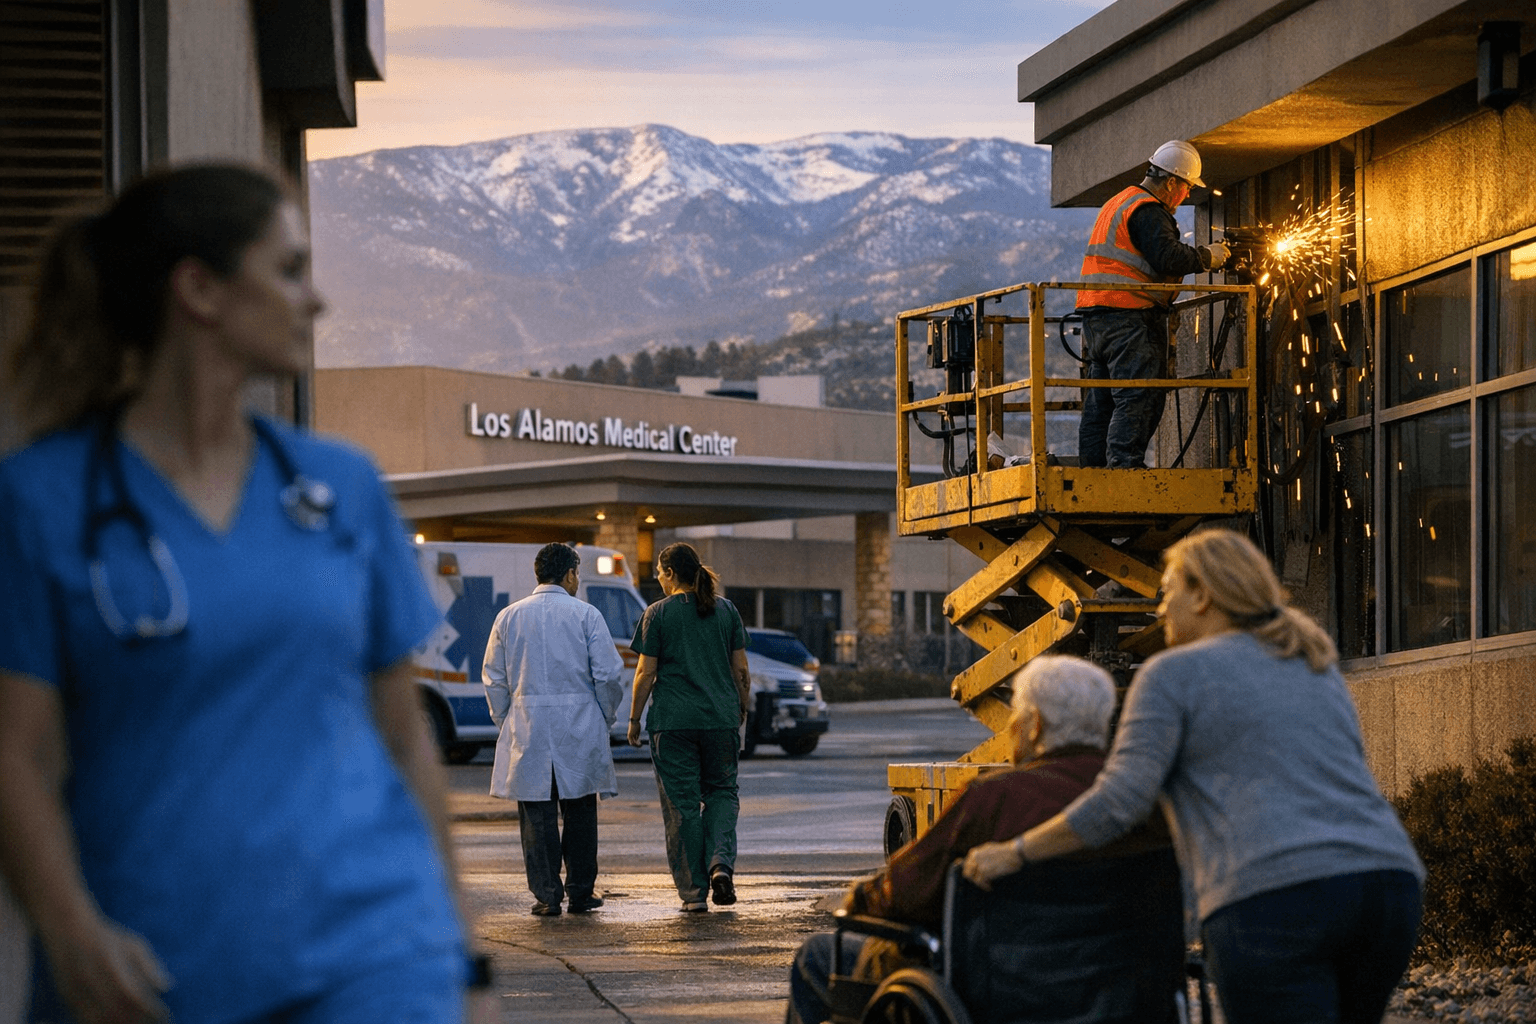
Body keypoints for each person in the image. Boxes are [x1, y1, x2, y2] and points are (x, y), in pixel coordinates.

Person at [0, 165, 474, 1024]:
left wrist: (468, 967)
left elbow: (405, 742)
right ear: (201, 290)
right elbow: (13, 753)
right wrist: (68, 930)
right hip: (151, 966)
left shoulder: (338, 489)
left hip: (375, 955)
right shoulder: (41, 502)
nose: (316, 300)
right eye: (289, 270)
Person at [964, 528, 1425, 1024]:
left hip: (1274, 901)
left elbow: (1120, 801)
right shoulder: (1313, 663)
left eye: (1169, 592)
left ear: (1203, 594)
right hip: (1388, 887)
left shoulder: (1172, 674)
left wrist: (1013, 853)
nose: (1160, 609)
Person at [787, 656, 1130, 1024]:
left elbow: (905, 889)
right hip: (1119, 996)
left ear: (1036, 726)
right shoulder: (1139, 804)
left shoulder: (991, 801)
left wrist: (860, 897)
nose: (1011, 726)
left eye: (1016, 715)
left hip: (999, 997)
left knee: (817, 956)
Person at [481, 542, 625, 917]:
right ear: (570, 574)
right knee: (579, 810)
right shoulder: (587, 615)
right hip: (578, 726)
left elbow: (494, 679)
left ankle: (547, 895)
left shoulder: (508, 617)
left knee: (536, 814)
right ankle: (580, 892)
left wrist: (507, 720)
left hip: (527, 724)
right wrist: (603, 716)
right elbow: (609, 674)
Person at [1076, 139, 1231, 468]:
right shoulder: (1148, 210)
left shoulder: (1121, 201)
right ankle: (1124, 469)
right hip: (1127, 317)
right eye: (1186, 187)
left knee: (1100, 403)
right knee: (1139, 394)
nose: (1187, 195)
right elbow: (1168, 256)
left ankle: (1093, 472)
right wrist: (1207, 257)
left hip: (1098, 319)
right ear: (1171, 181)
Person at [626, 542, 751, 912]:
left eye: (659, 575)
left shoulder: (657, 614)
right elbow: (741, 669)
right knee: (722, 794)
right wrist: (740, 706)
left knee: (682, 807)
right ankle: (720, 866)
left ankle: (694, 894)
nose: (659, 582)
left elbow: (645, 673)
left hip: (672, 724)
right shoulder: (726, 610)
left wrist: (634, 719)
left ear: (669, 573)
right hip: (720, 721)